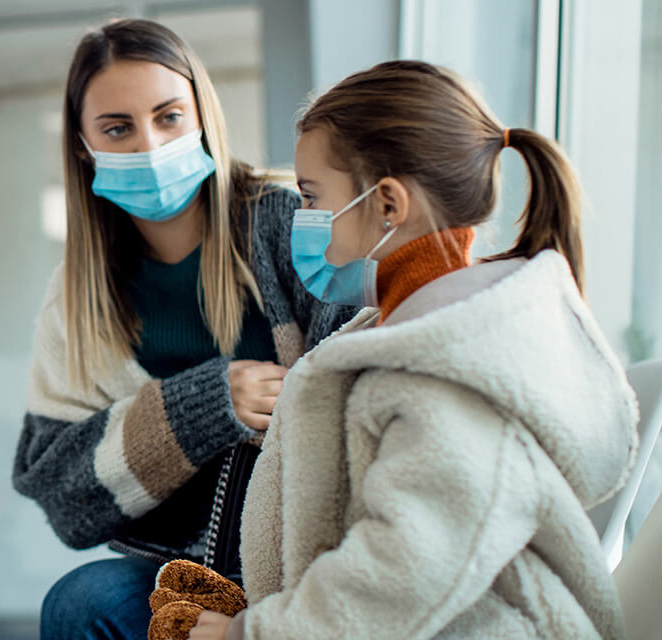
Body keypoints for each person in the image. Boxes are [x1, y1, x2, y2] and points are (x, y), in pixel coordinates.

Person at [190, 60, 637, 639]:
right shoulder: (406, 333)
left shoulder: (456, 365)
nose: (301, 218)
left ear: (389, 205)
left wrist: (247, 635)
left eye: (311, 196)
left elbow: (402, 570)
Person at [11, 18, 355, 639]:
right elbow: (65, 502)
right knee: (78, 603)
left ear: (202, 115)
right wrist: (200, 407)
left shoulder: (289, 222)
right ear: (84, 147)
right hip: (181, 569)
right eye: (117, 128)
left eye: (169, 116)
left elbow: (353, 379)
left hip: (304, 551)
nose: (148, 144)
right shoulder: (76, 295)